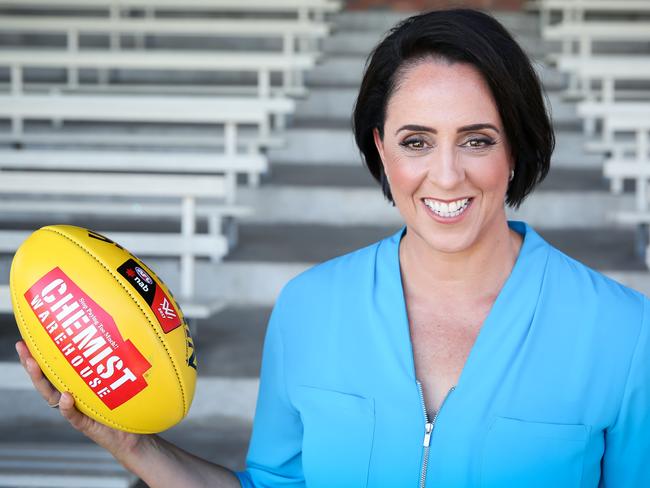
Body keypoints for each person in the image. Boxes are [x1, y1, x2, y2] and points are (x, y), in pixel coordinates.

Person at [15, 8, 650, 487]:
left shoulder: (623, 333)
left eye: (478, 139)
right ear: (380, 148)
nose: (448, 175)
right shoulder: (309, 308)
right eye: (416, 141)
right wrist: (131, 444)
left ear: (516, 148)